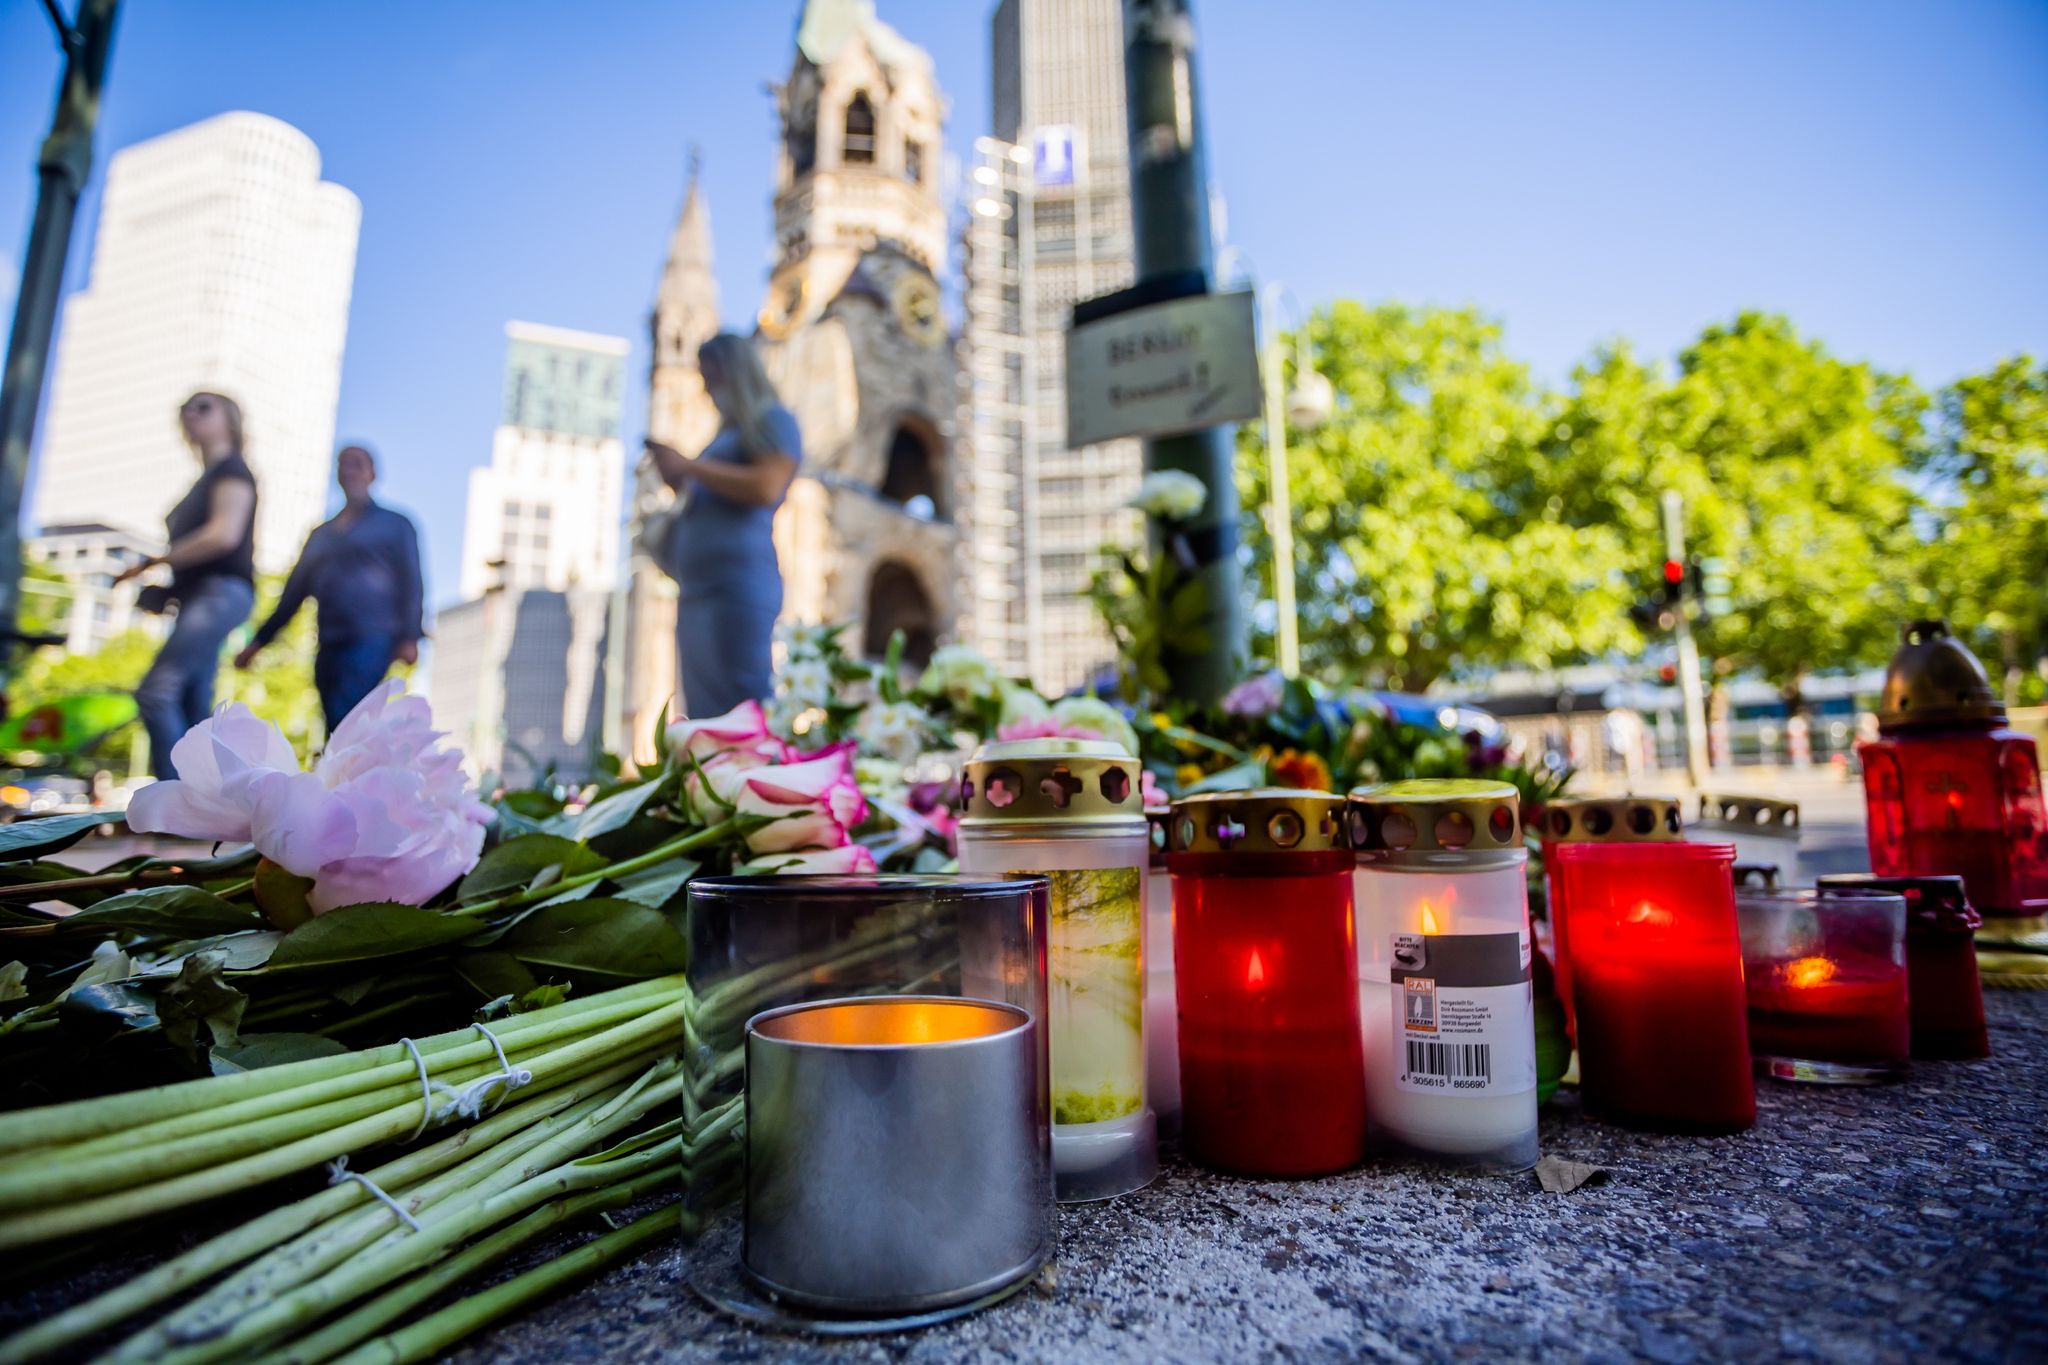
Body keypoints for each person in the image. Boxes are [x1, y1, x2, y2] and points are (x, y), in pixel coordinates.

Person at [642, 333, 802, 717]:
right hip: (697, 590)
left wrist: (690, 466)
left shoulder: (773, 419)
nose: (708, 389)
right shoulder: (723, 437)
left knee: (744, 707)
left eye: (713, 378)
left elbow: (767, 485)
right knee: (704, 713)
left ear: (736, 371)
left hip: (736, 585)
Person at [113, 392, 259, 780]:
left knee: (157, 692)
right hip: (198, 597)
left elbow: (223, 535)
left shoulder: (232, 471)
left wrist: (153, 563)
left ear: (230, 419)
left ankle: (179, 801)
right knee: (196, 707)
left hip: (219, 594)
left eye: (203, 407)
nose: (190, 414)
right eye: (185, 409)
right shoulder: (208, 477)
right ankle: (213, 802)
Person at [234, 444, 424, 732]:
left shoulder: (395, 525)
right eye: (343, 464)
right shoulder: (321, 535)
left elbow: (412, 583)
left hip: (373, 636)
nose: (349, 470)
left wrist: (410, 636)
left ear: (372, 474)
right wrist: (259, 642)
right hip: (328, 639)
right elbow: (293, 593)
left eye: (358, 464)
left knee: (349, 713)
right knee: (333, 717)